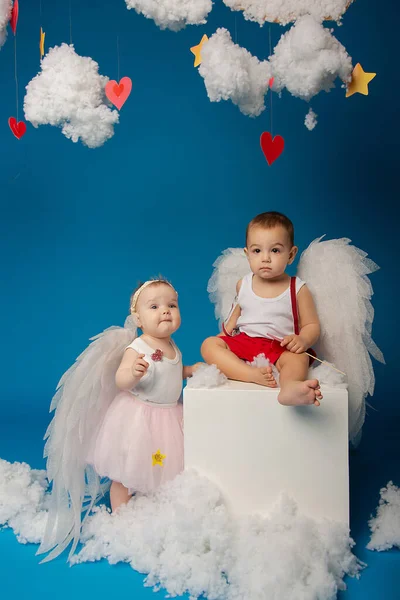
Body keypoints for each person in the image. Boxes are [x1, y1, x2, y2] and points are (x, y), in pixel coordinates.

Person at [37, 277, 200, 562]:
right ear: (138, 318)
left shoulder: (172, 346)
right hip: (139, 419)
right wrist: (133, 373)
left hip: (168, 416)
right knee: (127, 468)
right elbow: (121, 379)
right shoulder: (137, 347)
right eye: (155, 306)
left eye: (171, 305)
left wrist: (186, 370)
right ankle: (121, 514)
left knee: (159, 463)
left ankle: (151, 501)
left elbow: (170, 373)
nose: (165, 311)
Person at [201, 211, 323, 407]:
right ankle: (249, 374)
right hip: (245, 341)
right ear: (247, 253)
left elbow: (312, 324)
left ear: (291, 255)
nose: (265, 258)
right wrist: (222, 338)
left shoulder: (297, 288)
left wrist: (303, 339)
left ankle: (290, 387)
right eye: (257, 251)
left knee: (298, 359)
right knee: (209, 344)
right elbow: (234, 318)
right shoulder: (243, 284)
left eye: (275, 251)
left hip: (278, 346)